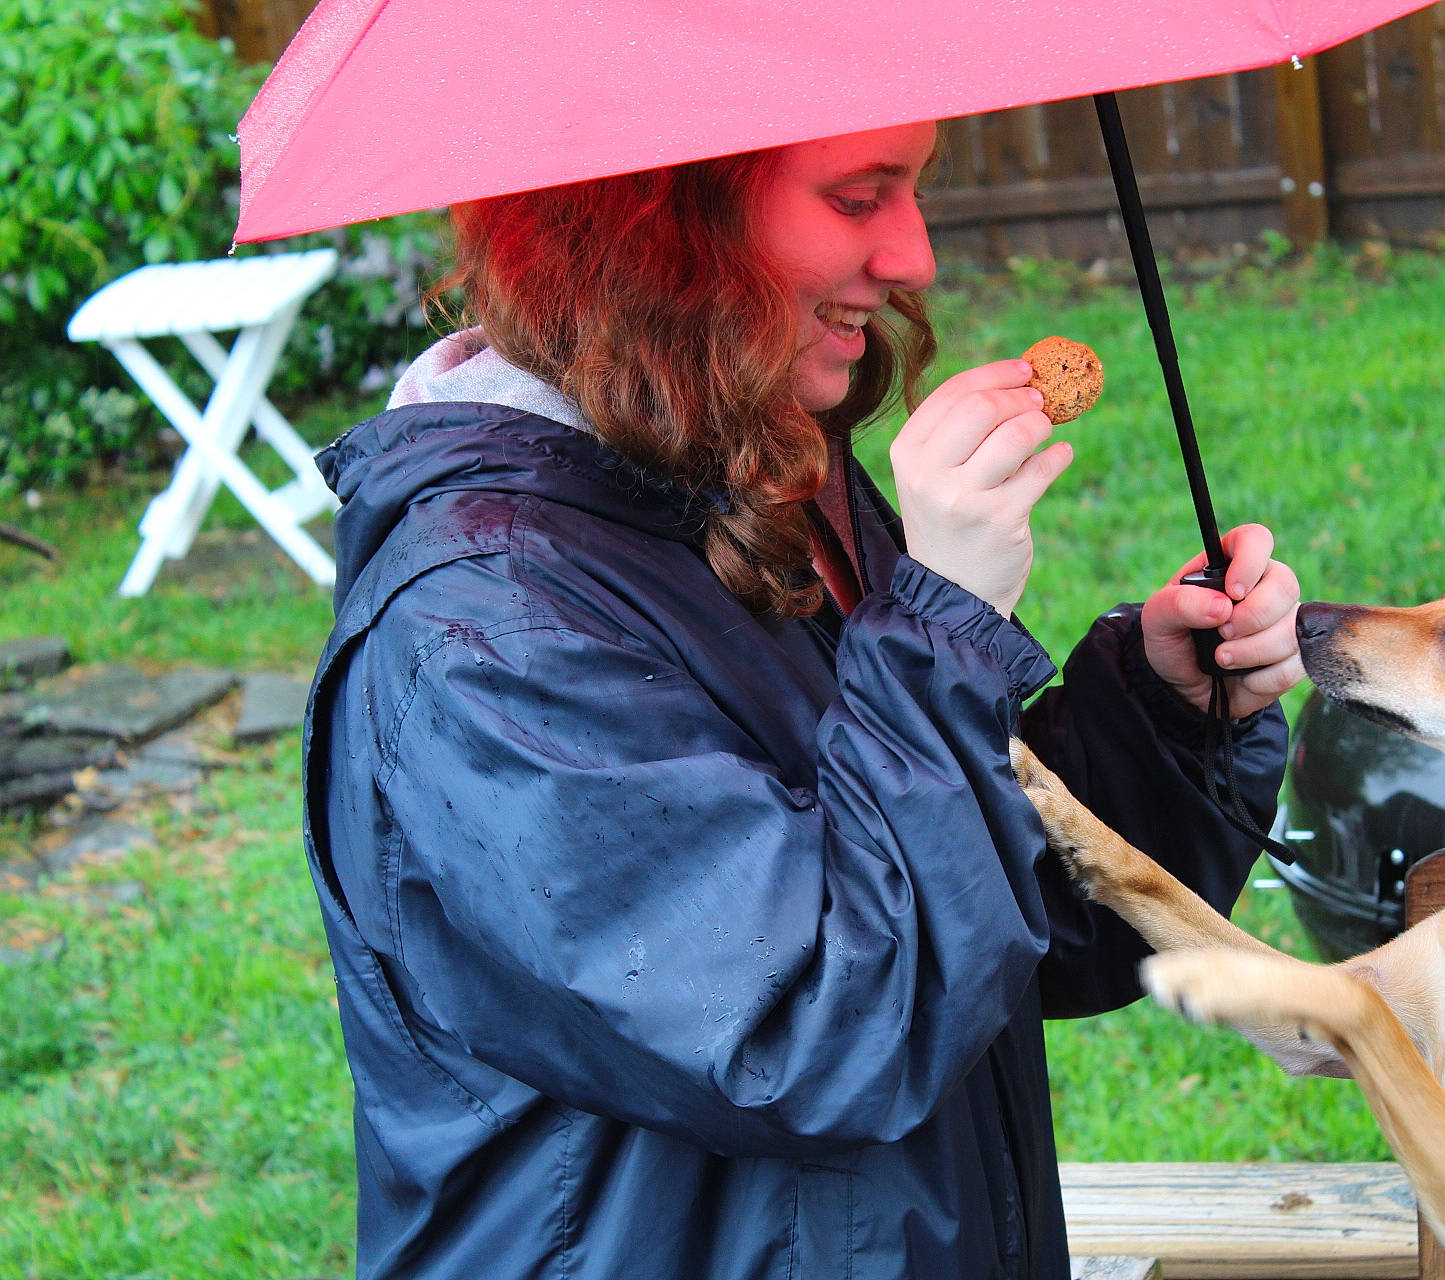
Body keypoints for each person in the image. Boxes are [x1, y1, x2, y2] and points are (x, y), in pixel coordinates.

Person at [303, 121, 1302, 1280]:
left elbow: (974, 926)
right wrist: (937, 628)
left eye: (912, 191)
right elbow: (825, 1027)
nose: (915, 255)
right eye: (859, 195)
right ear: (664, 223)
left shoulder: (748, 465)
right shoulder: (484, 626)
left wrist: (1162, 714)